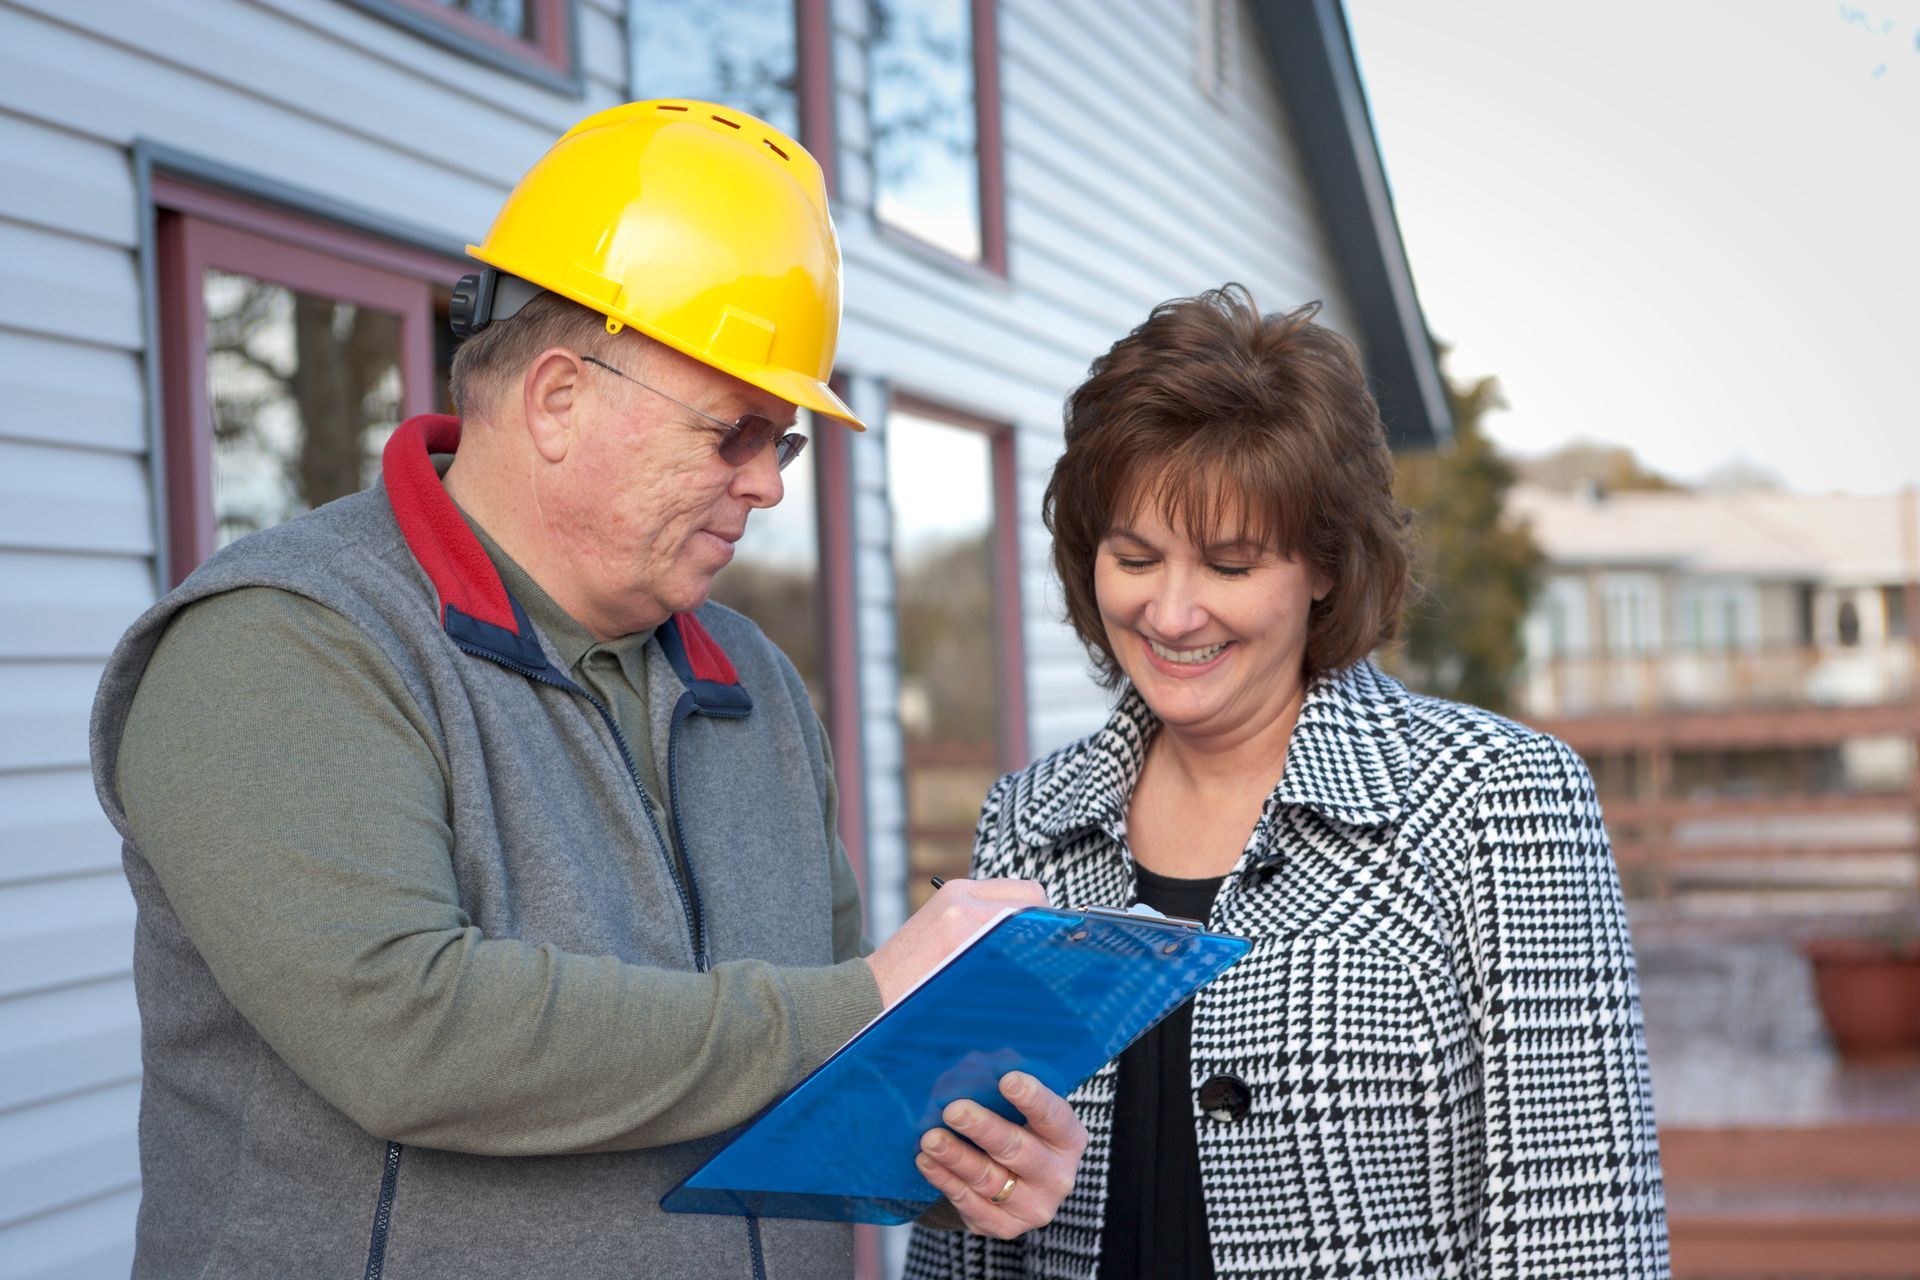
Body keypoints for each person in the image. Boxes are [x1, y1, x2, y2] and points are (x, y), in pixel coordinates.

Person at [90, 101, 1084, 1280]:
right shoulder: (285, 640)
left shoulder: (755, 684)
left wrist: (956, 1155)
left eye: (783, 442)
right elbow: (405, 1030)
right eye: (735, 431)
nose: (768, 484)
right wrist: (860, 1000)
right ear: (558, 397)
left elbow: (813, 1070)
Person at [905, 286, 1669, 1279]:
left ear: (1325, 565)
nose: (1172, 613)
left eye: (1229, 565)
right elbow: (960, 1241)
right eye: (1135, 557)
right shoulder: (1028, 824)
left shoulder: (1500, 799)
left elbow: (1581, 1229)